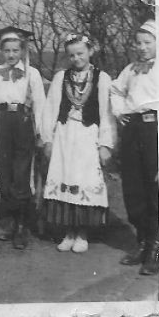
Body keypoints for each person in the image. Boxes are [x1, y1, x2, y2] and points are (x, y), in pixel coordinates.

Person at [41, 34, 116, 253]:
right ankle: (68, 232)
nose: (76, 58)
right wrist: (47, 139)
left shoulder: (102, 79)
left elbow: (107, 113)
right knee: (65, 178)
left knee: (83, 180)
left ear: (90, 51)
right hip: (65, 135)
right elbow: (50, 110)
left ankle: (82, 232)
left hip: (88, 136)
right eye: (72, 55)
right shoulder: (60, 78)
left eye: (80, 53)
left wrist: (105, 144)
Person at [0, 26, 46, 250]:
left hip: (23, 122)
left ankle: (21, 226)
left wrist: (41, 134)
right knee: (4, 174)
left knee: (22, 174)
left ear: (22, 50)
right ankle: (11, 222)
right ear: (1, 51)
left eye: (15, 50)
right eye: (7, 50)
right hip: (2, 122)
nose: (11, 55)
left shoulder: (32, 73)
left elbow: (41, 106)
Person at [111, 18, 159, 275]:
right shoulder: (130, 69)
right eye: (138, 43)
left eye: (147, 43)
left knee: (156, 189)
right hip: (133, 130)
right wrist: (120, 113)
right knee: (134, 188)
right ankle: (142, 241)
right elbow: (115, 91)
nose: (142, 48)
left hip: (156, 129)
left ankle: (156, 246)